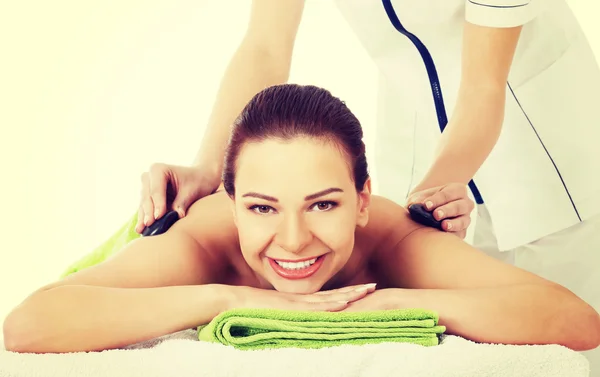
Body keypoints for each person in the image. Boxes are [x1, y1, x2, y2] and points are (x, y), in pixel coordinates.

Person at [134, 1, 600, 371]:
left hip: (541, 135)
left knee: (547, 336)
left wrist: (434, 195)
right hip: (414, 117)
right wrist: (209, 167)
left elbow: (482, 87)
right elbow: (266, 45)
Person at [4, 84, 599, 354]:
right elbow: (30, 324)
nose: (293, 240)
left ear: (363, 200)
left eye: (324, 204)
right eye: (262, 208)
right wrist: (226, 302)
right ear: (232, 203)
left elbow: (574, 320)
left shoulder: (392, 238)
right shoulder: (206, 242)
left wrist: (395, 303)